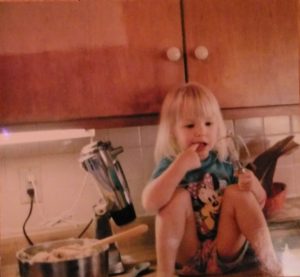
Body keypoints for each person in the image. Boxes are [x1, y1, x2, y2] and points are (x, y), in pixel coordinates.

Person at [142, 82, 281, 276]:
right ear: (173, 131)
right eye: (190, 125)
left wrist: (254, 185)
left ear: (218, 126)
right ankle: (164, 273)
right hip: (188, 255)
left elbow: (259, 201)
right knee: (176, 197)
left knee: (238, 193)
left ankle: (271, 264)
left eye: (208, 123)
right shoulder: (171, 164)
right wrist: (179, 166)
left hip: (224, 251)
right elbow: (149, 203)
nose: (201, 131)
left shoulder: (225, 162)